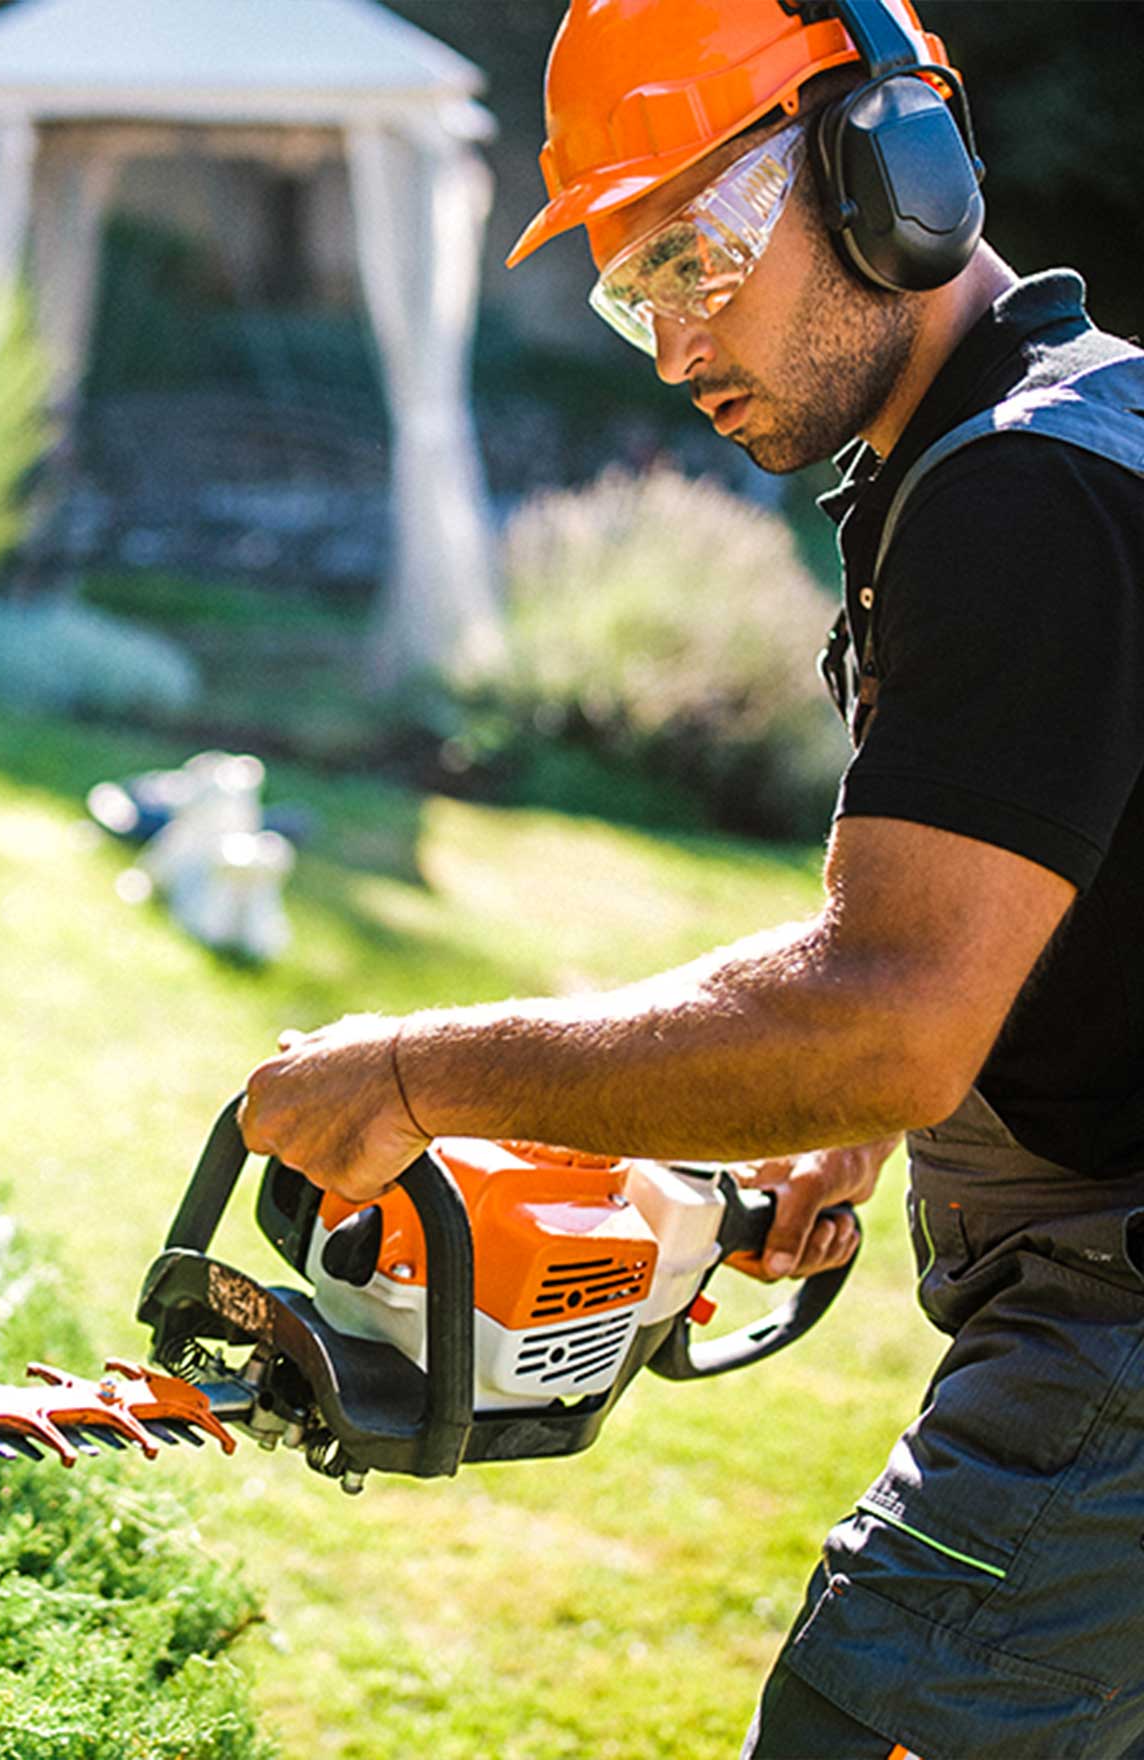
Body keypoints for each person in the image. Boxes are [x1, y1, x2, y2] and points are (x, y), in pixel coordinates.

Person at [237, 2, 1144, 1754]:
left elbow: (885, 1014)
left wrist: (419, 1073)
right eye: (629, 286)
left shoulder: (1024, 497)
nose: (671, 347)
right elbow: (1055, 872)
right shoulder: (1041, 440)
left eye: (697, 253)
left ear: (896, 173)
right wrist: (864, 1119)